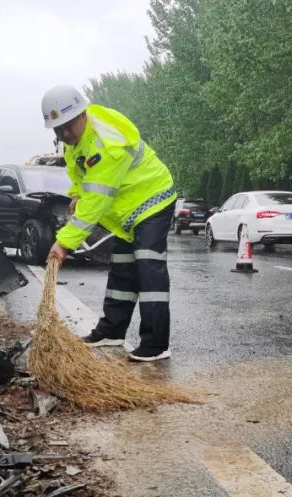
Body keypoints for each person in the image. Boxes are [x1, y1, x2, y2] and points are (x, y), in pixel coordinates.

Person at [41, 85, 177, 362]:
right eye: (58, 130)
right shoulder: (76, 141)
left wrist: (64, 243)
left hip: (152, 200)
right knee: (123, 270)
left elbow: (96, 202)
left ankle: (156, 344)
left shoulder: (107, 145)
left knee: (148, 268)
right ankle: (112, 331)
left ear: (82, 114)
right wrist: (76, 193)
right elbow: (78, 172)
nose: (64, 134)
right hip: (128, 211)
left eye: (68, 126)